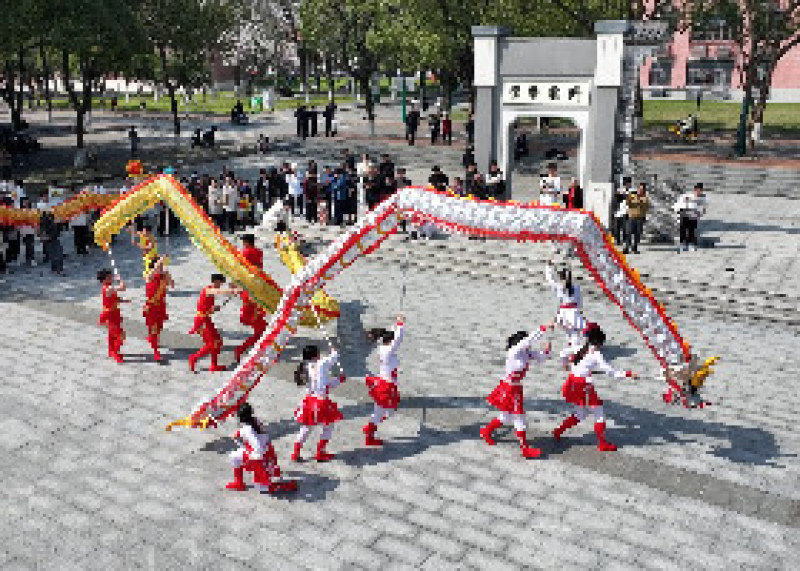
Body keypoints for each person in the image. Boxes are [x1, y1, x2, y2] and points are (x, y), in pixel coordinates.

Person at [552, 324, 638, 451]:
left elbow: (562, 353)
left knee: (581, 413)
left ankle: (558, 431)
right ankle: (602, 443)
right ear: (598, 343)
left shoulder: (579, 347)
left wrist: (565, 365)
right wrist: (628, 374)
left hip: (572, 383)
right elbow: (610, 371)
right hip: (584, 386)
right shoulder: (596, 354)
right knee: (598, 412)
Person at [480, 324, 552, 458]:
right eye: (527, 342)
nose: (529, 345)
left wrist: (546, 350)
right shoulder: (514, 351)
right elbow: (529, 340)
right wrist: (544, 328)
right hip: (509, 388)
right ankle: (524, 448)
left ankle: (486, 431)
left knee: (506, 416)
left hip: (516, 388)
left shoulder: (525, 352)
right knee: (519, 417)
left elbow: (540, 357)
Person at [225, 403, 297, 493]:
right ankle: (239, 483)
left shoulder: (247, 429)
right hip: (266, 451)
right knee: (234, 456)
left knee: (261, 487)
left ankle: (286, 485)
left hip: (259, 456)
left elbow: (258, 446)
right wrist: (237, 434)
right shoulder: (255, 420)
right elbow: (248, 432)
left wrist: (251, 455)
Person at [292, 344, 345, 462]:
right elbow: (333, 358)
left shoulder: (306, 366)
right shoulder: (321, 363)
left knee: (306, 428)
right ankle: (320, 452)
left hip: (309, 401)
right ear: (315, 355)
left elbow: (324, 382)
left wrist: (338, 380)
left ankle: (296, 453)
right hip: (321, 402)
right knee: (328, 426)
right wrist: (334, 351)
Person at [363, 317, 405, 446]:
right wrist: (400, 324)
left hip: (384, 384)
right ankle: (370, 431)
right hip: (386, 386)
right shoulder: (388, 351)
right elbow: (398, 339)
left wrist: (395, 326)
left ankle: (371, 429)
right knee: (382, 412)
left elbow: (393, 337)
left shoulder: (382, 347)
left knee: (382, 411)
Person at [188, 274, 239, 373]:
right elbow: (218, 292)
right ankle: (193, 358)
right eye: (220, 282)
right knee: (213, 343)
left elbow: (207, 309)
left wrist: (214, 309)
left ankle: (214, 365)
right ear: (216, 281)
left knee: (218, 342)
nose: (221, 284)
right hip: (202, 321)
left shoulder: (211, 291)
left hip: (206, 319)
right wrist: (232, 291)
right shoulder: (208, 290)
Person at [545, 261, 586, 369]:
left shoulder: (559, 287)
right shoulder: (576, 287)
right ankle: (573, 354)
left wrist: (548, 267)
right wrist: (580, 312)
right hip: (573, 312)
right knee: (574, 334)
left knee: (570, 334)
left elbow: (550, 279)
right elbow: (579, 302)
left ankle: (572, 353)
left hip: (564, 313)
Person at [143, 256, 174, 362]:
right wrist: (161, 260)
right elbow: (152, 271)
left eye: (161, 266)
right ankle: (156, 352)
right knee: (154, 329)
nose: (161, 268)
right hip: (151, 307)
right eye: (159, 266)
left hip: (161, 306)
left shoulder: (163, 277)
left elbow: (172, 284)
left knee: (159, 326)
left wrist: (168, 274)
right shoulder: (149, 276)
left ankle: (152, 338)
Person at [97, 268, 128, 363]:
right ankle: (115, 352)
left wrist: (122, 300)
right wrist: (120, 279)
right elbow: (123, 287)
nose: (111, 279)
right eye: (109, 277)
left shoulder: (109, 287)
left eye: (111, 277)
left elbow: (113, 298)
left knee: (112, 334)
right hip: (110, 316)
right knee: (121, 335)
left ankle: (111, 350)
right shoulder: (108, 288)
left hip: (114, 313)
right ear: (104, 280)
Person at [234, 288, 268, 364]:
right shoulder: (248, 292)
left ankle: (242, 350)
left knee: (261, 333)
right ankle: (241, 350)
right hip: (251, 316)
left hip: (255, 315)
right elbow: (252, 300)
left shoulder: (250, 290)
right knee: (262, 333)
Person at [673, 182, 707, 253]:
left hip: (694, 214)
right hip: (684, 213)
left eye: (700, 190)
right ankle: (682, 244)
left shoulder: (703, 198)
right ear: (694, 190)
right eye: (697, 190)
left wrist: (701, 213)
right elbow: (679, 203)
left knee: (692, 230)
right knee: (683, 229)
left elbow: (703, 207)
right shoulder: (687, 195)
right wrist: (678, 210)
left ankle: (691, 244)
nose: (698, 192)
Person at [624, 182, 649, 254]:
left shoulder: (645, 197)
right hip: (631, 217)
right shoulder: (632, 195)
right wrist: (629, 196)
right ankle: (626, 247)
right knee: (628, 233)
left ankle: (634, 248)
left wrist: (637, 200)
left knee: (637, 234)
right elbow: (628, 203)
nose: (640, 190)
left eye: (642, 189)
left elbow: (645, 205)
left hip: (640, 218)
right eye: (639, 189)